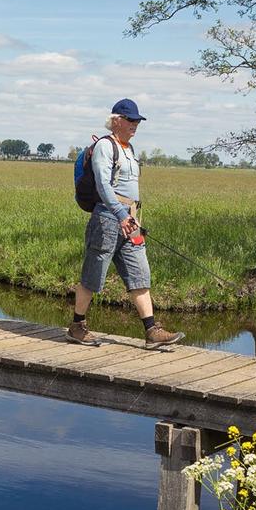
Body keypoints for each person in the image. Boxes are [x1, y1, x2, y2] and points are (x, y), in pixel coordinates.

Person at [68, 98, 184, 348]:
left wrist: (130, 217)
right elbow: (103, 185)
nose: (135, 125)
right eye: (131, 120)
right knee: (93, 274)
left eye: (137, 121)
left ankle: (152, 331)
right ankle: (77, 326)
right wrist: (121, 215)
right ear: (116, 121)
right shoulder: (105, 146)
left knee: (140, 274)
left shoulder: (129, 149)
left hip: (131, 220)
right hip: (108, 219)